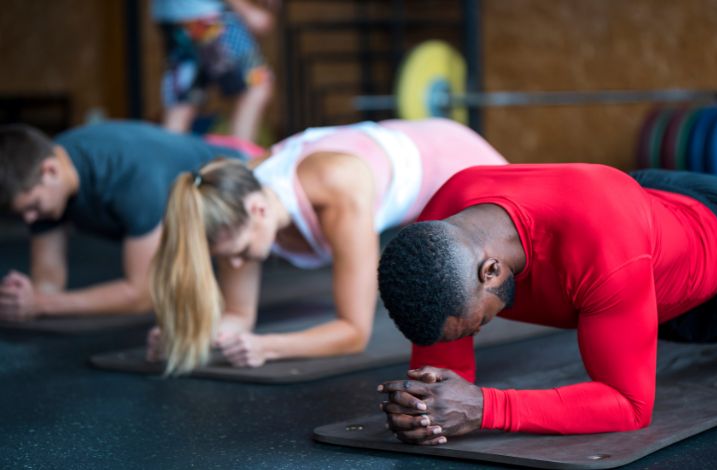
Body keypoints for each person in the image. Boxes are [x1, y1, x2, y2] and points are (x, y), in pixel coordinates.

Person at [376, 164, 717, 444]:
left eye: (474, 325)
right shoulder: (437, 242)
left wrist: (486, 407)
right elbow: (444, 374)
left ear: (491, 271)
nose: (474, 332)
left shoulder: (605, 249)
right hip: (642, 204)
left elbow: (629, 405)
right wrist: (421, 410)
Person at [149, 118, 507, 375]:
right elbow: (240, 317)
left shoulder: (336, 187)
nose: (238, 265)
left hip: (458, 162)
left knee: (520, 269)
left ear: (258, 210)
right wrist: (186, 334)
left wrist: (268, 347)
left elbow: (354, 331)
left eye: (241, 253)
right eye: (228, 257)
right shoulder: (231, 201)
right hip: (413, 142)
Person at [0, 121, 261, 321]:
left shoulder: (129, 176)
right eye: (22, 212)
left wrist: (42, 303)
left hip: (247, 168)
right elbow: (49, 284)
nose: (29, 219)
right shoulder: (41, 173)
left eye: (33, 207)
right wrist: (23, 297)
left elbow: (142, 294)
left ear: (51, 171)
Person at [152, 0, 276, 142]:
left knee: (183, 100)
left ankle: (168, 159)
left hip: (173, 17)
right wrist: (247, 11)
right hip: (207, 17)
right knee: (258, 83)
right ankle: (240, 159)